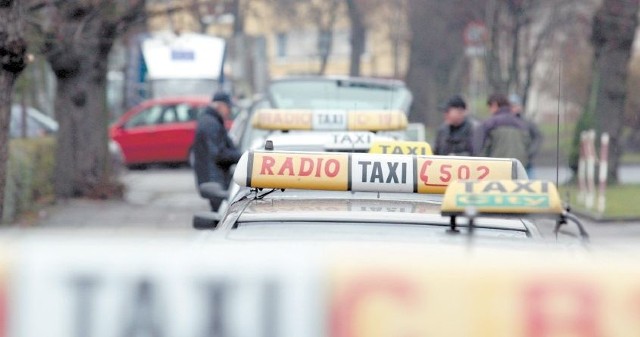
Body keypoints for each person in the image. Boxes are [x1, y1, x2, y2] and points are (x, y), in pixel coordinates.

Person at [193, 92, 241, 211]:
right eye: (228, 107)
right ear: (220, 106)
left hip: (214, 178)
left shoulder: (210, 121)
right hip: (214, 179)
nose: (229, 111)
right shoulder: (211, 124)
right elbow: (218, 154)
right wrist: (242, 157)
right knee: (219, 214)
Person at [481, 93, 531, 167]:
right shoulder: (521, 124)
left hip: (497, 166)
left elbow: (480, 147)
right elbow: (528, 143)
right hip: (518, 165)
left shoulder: (489, 123)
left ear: (494, 105)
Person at [509, 94, 542, 177]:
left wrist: (529, 153)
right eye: (511, 106)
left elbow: (537, 138)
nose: (513, 108)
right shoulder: (502, 123)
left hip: (526, 163)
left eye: (515, 106)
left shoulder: (527, 123)